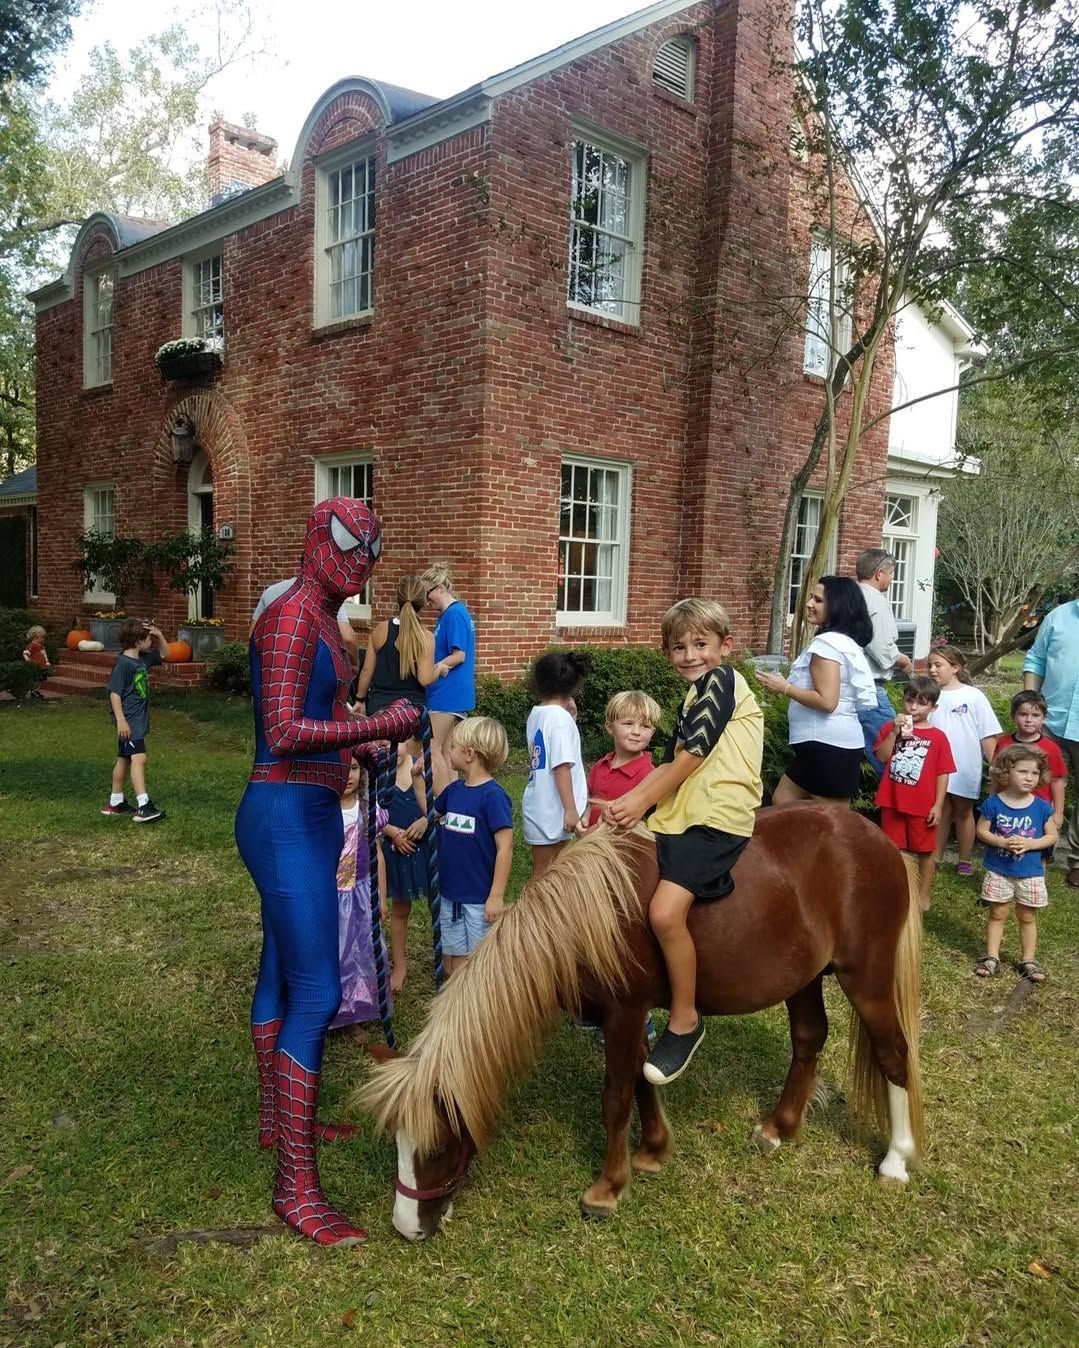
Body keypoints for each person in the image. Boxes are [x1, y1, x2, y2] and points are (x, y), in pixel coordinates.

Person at [237, 498, 419, 1248]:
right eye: (349, 544)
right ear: (316, 540)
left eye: (371, 550)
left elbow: (314, 732)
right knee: (314, 990)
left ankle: (278, 1127)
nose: (359, 562)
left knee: (283, 974)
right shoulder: (289, 619)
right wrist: (375, 726)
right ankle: (294, 1187)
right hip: (284, 817)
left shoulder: (320, 622)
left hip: (304, 812)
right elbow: (281, 732)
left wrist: (355, 751)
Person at [607, 599, 763, 1086]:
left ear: (725, 646)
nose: (690, 655)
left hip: (718, 815)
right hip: (683, 812)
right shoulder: (694, 696)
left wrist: (638, 798)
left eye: (701, 644)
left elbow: (691, 756)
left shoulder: (721, 683)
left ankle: (684, 1019)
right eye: (679, 647)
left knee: (664, 912)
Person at [756, 576, 877, 805]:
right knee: (784, 804)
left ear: (837, 607)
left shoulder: (827, 645)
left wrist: (785, 687)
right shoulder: (843, 642)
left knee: (832, 826)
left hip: (827, 747)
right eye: (812, 597)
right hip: (823, 746)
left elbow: (827, 701)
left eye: (818, 600)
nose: (809, 603)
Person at [432, 716, 513, 977]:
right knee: (453, 960)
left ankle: (479, 1008)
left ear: (469, 754)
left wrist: (496, 896)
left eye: (453, 747)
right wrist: (419, 782)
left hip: (478, 899)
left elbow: (505, 848)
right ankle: (457, 1005)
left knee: (479, 962)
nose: (450, 751)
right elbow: (432, 815)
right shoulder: (454, 790)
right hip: (451, 895)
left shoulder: (493, 797)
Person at [973, 744, 1058, 983]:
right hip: (999, 870)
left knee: (1027, 916)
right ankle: (991, 957)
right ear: (1005, 772)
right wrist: (1001, 842)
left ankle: (1028, 960)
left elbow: (1052, 836)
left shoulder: (1041, 807)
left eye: (1034, 773)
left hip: (1030, 872)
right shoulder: (994, 804)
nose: (1029, 778)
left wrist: (1031, 844)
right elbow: (981, 831)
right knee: (998, 913)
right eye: (1023, 772)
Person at [873, 675, 956, 910]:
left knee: (925, 850)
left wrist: (938, 805)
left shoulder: (938, 738)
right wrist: (893, 733)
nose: (914, 707)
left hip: (923, 804)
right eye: (910, 701)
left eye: (921, 703)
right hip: (893, 800)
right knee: (893, 849)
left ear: (933, 707)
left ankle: (923, 894)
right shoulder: (891, 728)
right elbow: (882, 757)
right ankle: (896, 891)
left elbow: (943, 773)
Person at [328, 751, 391, 1041]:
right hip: (331, 896)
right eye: (341, 769)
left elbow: (377, 853)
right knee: (334, 953)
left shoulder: (368, 810)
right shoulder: (324, 812)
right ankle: (329, 1012)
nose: (349, 776)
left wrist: (382, 895)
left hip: (362, 894)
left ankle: (353, 1012)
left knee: (359, 951)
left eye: (353, 768)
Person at [926, 644, 1001, 876]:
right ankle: (935, 857)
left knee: (963, 811)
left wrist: (998, 768)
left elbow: (987, 734)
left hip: (965, 764)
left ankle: (965, 859)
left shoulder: (973, 696)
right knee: (941, 809)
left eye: (938, 665)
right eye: (929, 665)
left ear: (956, 668)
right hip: (935, 766)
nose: (932, 670)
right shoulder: (928, 695)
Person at [1022, 597, 1079, 888]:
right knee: (1039, 788)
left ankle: (1077, 862)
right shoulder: (1058, 616)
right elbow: (1036, 659)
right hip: (1052, 722)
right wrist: (1032, 704)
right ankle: (1036, 852)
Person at [522, 651, 590, 878]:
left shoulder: (538, 714)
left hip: (541, 806)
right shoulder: (559, 720)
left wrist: (569, 714)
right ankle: (532, 913)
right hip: (554, 811)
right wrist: (571, 809)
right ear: (573, 686)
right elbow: (561, 766)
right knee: (545, 874)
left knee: (548, 871)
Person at [101, 618, 169, 823]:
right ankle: (144, 806)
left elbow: (166, 654)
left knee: (125, 757)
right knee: (139, 759)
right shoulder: (123, 664)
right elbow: (114, 693)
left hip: (136, 719)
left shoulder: (143, 659)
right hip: (129, 721)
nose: (151, 641)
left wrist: (159, 635)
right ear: (137, 640)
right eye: (148, 638)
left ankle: (115, 802)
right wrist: (121, 721)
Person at [855, 548, 914, 777]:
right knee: (899, 755)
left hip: (846, 690)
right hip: (870, 690)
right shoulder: (876, 601)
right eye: (891, 573)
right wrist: (903, 660)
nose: (891, 579)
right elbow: (880, 646)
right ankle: (902, 805)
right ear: (879, 573)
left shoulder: (848, 597)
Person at [994, 690, 1067, 872]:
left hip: (1038, 810)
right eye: (1023, 714)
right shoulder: (1004, 743)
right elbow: (996, 775)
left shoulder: (1051, 748)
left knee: (1037, 849)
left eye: (1035, 715)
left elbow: (1057, 781)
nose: (1029, 720)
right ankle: (999, 884)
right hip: (1007, 806)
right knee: (1005, 846)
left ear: (1044, 718)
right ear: (1013, 716)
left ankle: (1036, 886)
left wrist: (1058, 812)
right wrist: (992, 801)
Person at [421, 563, 476, 794]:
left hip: (447, 694)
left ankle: (442, 803)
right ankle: (453, 802)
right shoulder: (448, 614)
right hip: (450, 694)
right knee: (447, 753)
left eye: (427, 593)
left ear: (440, 588)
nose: (426, 601)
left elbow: (459, 655)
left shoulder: (454, 614)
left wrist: (437, 666)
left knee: (432, 747)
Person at [381, 740, 431, 993]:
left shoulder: (422, 766)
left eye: (395, 744)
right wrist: (392, 833)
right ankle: (399, 966)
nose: (391, 750)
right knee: (400, 908)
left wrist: (425, 820)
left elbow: (442, 802)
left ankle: (446, 957)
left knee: (440, 905)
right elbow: (373, 811)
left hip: (429, 848)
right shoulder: (378, 772)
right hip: (396, 850)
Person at [355, 575, 435, 714]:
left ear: (398, 599)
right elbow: (425, 680)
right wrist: (440, 669)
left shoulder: (381, 629)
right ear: (423, 602)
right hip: (411, 711)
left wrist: (359, 700)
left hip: (380, 707)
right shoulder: (426, 636)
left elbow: (367, 670)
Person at [250, 578, 362, 673]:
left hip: (272, 669)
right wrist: (354, 665)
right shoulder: (328, 595)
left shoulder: (271, 592)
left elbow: (253, 635)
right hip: (312, 673)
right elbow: (347, 639)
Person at [586, 690, 662, 827]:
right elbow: (592, 802)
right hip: (591, 844)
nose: (636, 732)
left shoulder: (650, 775)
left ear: (652, 733)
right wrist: (585, 819)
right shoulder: (599, 766)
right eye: (628, 723)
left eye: (645, 726)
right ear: (610, 727)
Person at [22, 624, 49, 700]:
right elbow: (25, 653)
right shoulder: (31, 645)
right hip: (35, 666)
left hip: (42, 666)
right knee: (36, 679)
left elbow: (44, 654)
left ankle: (36, 691)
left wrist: (47, 661)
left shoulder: (41, 646)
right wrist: (29, 660)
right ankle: (32, 691)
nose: (43, 639)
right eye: (42, 637)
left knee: (41, 679)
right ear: (35, 636)